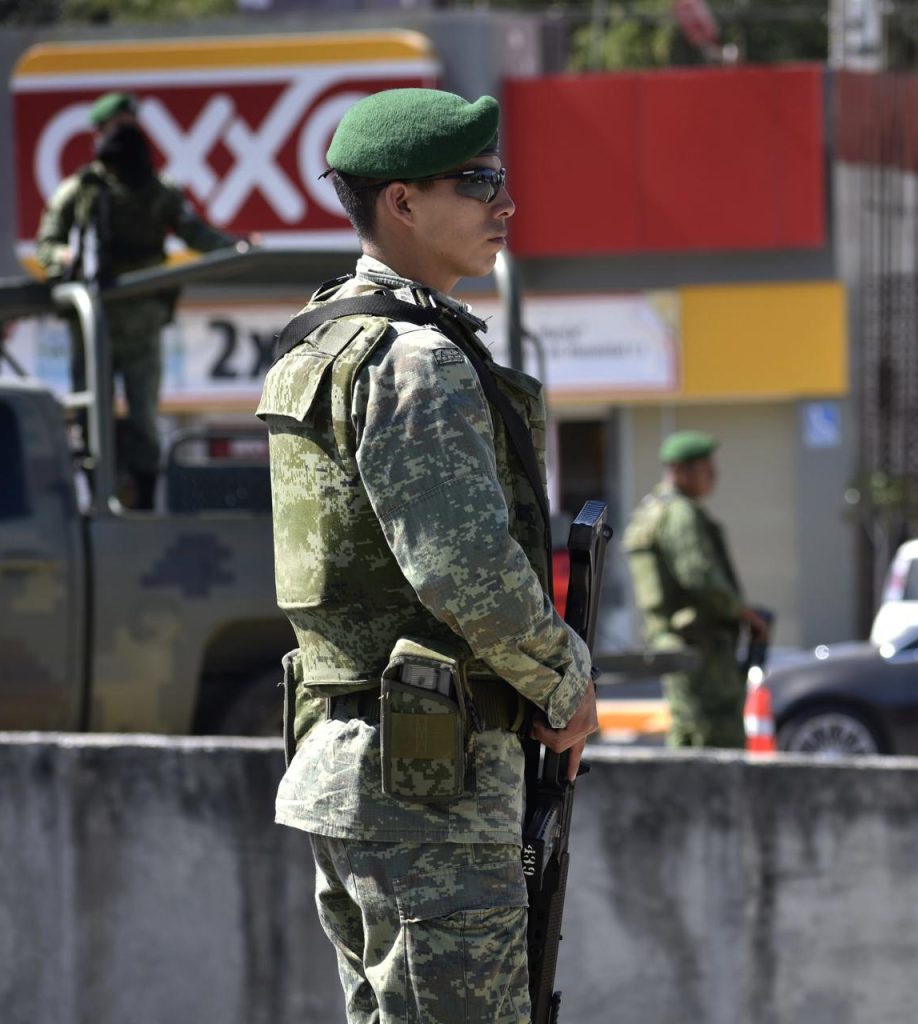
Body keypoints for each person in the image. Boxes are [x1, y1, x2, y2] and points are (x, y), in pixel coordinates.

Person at [255, 88, 598, 1024]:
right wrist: (566, 682)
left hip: (359, 767)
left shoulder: (320, 338)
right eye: (479, 181)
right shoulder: (416, 358)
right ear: (401, 203)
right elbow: (460, 568)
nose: (505, 205)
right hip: (428, 788)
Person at [35, 91, 241, 509]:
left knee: (144, 415)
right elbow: (48, 242)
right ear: (100, 133)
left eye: (132, 127)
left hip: (142, 318)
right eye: (118, 128)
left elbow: (195, 233)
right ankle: (98, 499)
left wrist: (236, 247)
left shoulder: (158, 189)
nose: (126, 137)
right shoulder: (82, 189)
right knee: (93, 415)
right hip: (95, 319)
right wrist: (66, 257)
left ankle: (144, 503)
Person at [624, 430, 769, 748]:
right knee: (713, 734)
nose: (714, 476)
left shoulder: (655, 509)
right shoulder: (681, 514)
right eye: (707, 468)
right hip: (702, 645)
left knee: (691, 726)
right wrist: (745, 614)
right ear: (680, 471)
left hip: (683, 644)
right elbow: (700, 578)